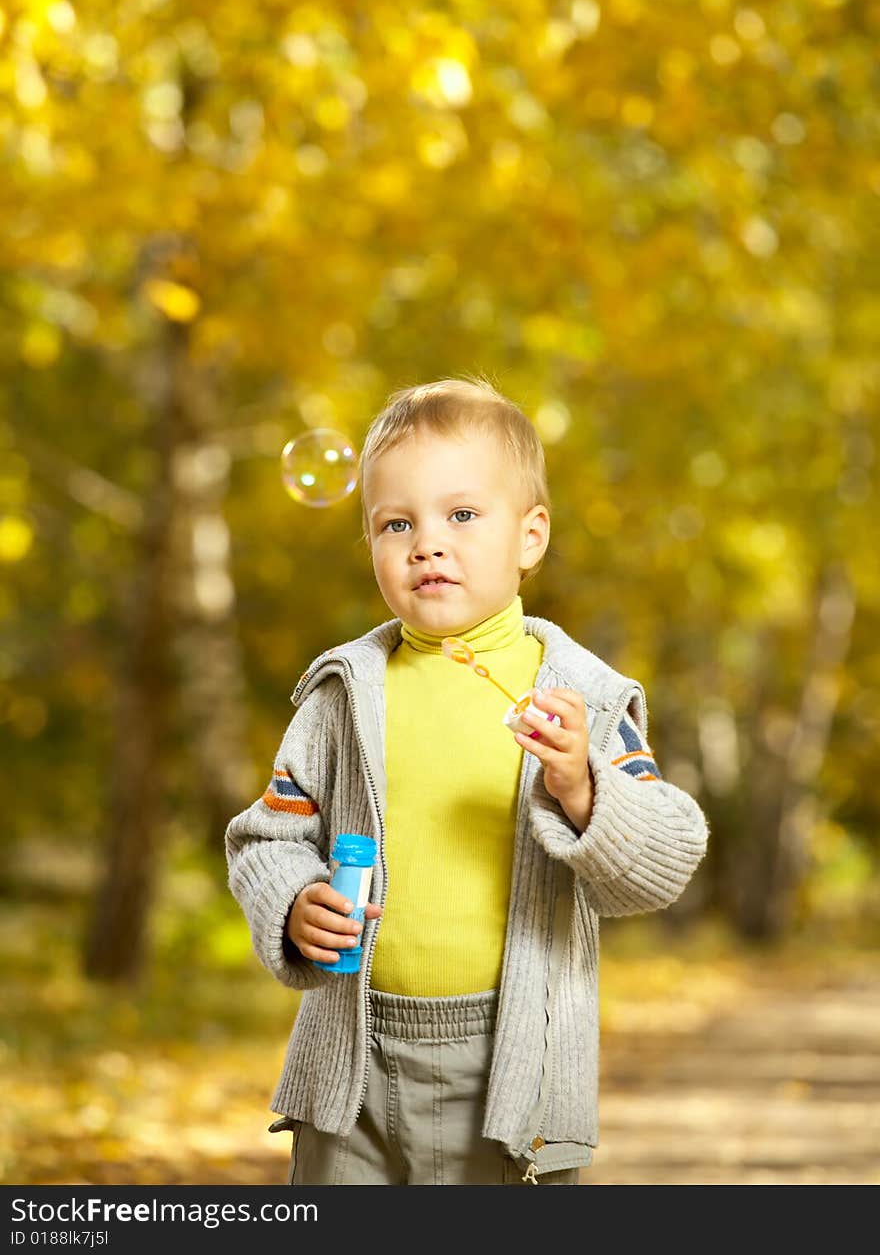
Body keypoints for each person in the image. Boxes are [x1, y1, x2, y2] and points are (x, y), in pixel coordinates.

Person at [225, 375, 709, 1185]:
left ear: (531, 536)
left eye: (461, 515)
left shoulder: (579, 699)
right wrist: (293, 899)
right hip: (355, 1061)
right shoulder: (344, 694)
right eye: (397, 522)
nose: (427, 543)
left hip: (513, 1064)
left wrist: (587, 792)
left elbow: (665, 859)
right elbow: (266, 836)